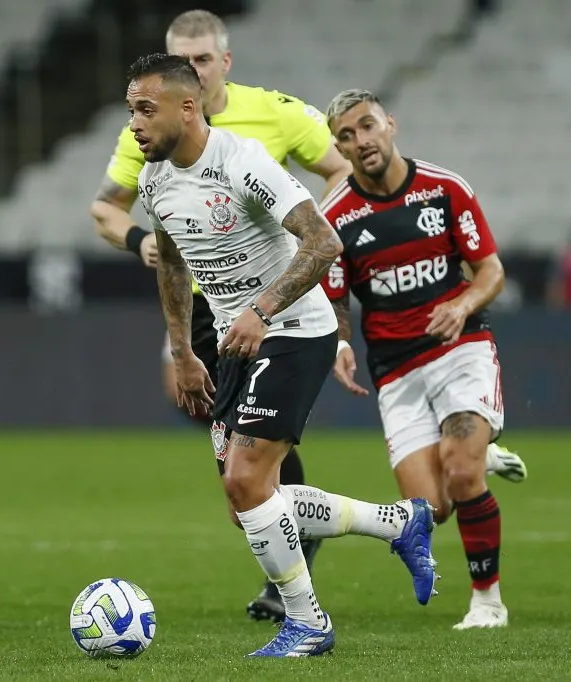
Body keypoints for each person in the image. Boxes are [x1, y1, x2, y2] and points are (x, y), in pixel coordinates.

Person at [127, 54, 439, 657]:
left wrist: (262, 310)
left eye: (146, 109)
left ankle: (308, 624)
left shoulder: (243, 163)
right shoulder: (155, 179)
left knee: (247, 480)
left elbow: (325, 242)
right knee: (248, 503)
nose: (135, 125)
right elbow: (170, 261)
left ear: (188, 108)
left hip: (294, 328)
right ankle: (400, 523)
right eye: (131, 111)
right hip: (229, 341)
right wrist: (183, 351)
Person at [89, 8, 351, 622]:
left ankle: (301, 611)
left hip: (279, 307)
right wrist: (175, 336)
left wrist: (292, 242)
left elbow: (332, 198)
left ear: (222, 64)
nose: (198, 70)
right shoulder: (152, 153)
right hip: (210, 313)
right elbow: (120, 219)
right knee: (239, 486)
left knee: (248, 476)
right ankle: (391, 526)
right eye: (187, 60)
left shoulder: (267, 126)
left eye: (205, 60)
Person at [319, 88, 530, 629]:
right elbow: (337, 295)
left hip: (460, 348)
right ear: (338, 147)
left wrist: (460, 305)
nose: (360, 141)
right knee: (430, 510)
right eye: (346, 135)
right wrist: (342, 344)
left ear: (390, 124)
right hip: (395, 370)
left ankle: (488, 601)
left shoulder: (444, 189)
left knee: (461, 475)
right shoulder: (336, 216)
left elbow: (491, 272)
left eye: (367, 126)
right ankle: (480, 453)